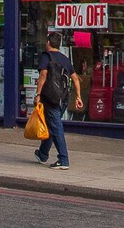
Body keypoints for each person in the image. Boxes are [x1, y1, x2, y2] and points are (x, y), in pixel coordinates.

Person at [32, 32, 78, 170]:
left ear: (48, 43)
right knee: (51, 125)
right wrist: (79, 97)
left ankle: (63, 160)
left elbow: (43, 75)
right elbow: (75, 78)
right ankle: (42, 154)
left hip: (51, 98)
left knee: (56, 127)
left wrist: (38, 94)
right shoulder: (65, 59)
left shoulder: (47, 57)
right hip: (63, 98)